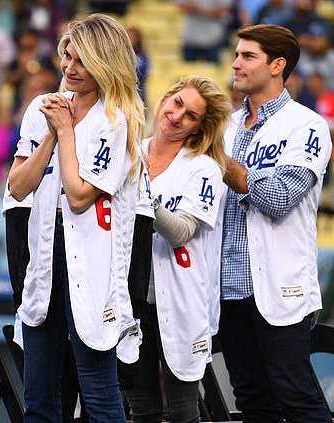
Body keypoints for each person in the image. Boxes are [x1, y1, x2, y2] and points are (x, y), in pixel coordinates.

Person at [7, 13, 145, 422]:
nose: (68, 68)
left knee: (99, 391)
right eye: (66, 57)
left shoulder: (117, 119)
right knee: (39, 396)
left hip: (92, 258)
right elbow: (17, 186)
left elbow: (81, 194)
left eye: (80, 61)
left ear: (105, 63)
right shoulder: (42, 108)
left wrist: (65, 132)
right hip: (45, 249)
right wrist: (50, 134)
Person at [220, 24, 333, 422]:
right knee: (252, 403)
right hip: (227, 287)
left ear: (277, 65)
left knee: (297, 398)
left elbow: (279, 198)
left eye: (247, 56)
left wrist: (229, 169)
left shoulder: (307, 125)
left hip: (280, 285)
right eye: (236, 54)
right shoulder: (225, 127)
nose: (235, 63)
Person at [121, 76, 231, 423]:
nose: (177, 115)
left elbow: (181, 231)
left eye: (191, 115)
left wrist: (143, 198)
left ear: (200, 128)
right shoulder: (129, 152)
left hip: (181, 300)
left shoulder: (204, 169)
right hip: (131, 299)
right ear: (166, 98)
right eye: (177, 103)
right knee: (142, 410)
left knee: (183, 410)